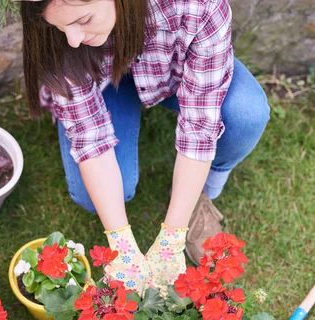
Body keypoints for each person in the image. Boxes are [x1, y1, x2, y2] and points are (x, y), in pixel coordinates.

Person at [20, 0, 270, 294]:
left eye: (83, 20)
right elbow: (90, 136)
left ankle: (196, 198)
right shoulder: (68, 35)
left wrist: (172, 237)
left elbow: (199, 128)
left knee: (246, 115)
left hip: (170, 71)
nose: (72, 38)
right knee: (93, 196)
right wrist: (121, 243)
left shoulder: (197, 5)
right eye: (61, 26)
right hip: (105, 79)